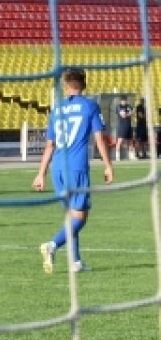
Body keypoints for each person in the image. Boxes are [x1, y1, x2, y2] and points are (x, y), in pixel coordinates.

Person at [33, 68, 114, 274]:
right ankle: (52, 245)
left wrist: (41, 173)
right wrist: (108, 165)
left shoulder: (57, 109)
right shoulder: (90, 106)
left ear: (66, 86)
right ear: (83, 84)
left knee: (71, 215)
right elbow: (98, 139)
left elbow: (49, 145)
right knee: (80, 218)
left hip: (57, 168)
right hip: (76, 167)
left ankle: (75, 262)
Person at [113, 95, 134, 161]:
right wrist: (128, 114)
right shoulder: (119, 107)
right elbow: (123, 115)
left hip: (129, 126)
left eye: (125, 100)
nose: (124, 101)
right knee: (120, 141)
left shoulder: (129, 106)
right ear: (121, 101)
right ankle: (117, 156)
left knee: (130, 141)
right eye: (123, 100)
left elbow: (131, 113)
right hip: (122, 126)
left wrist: (128, 114)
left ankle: (131, 156)